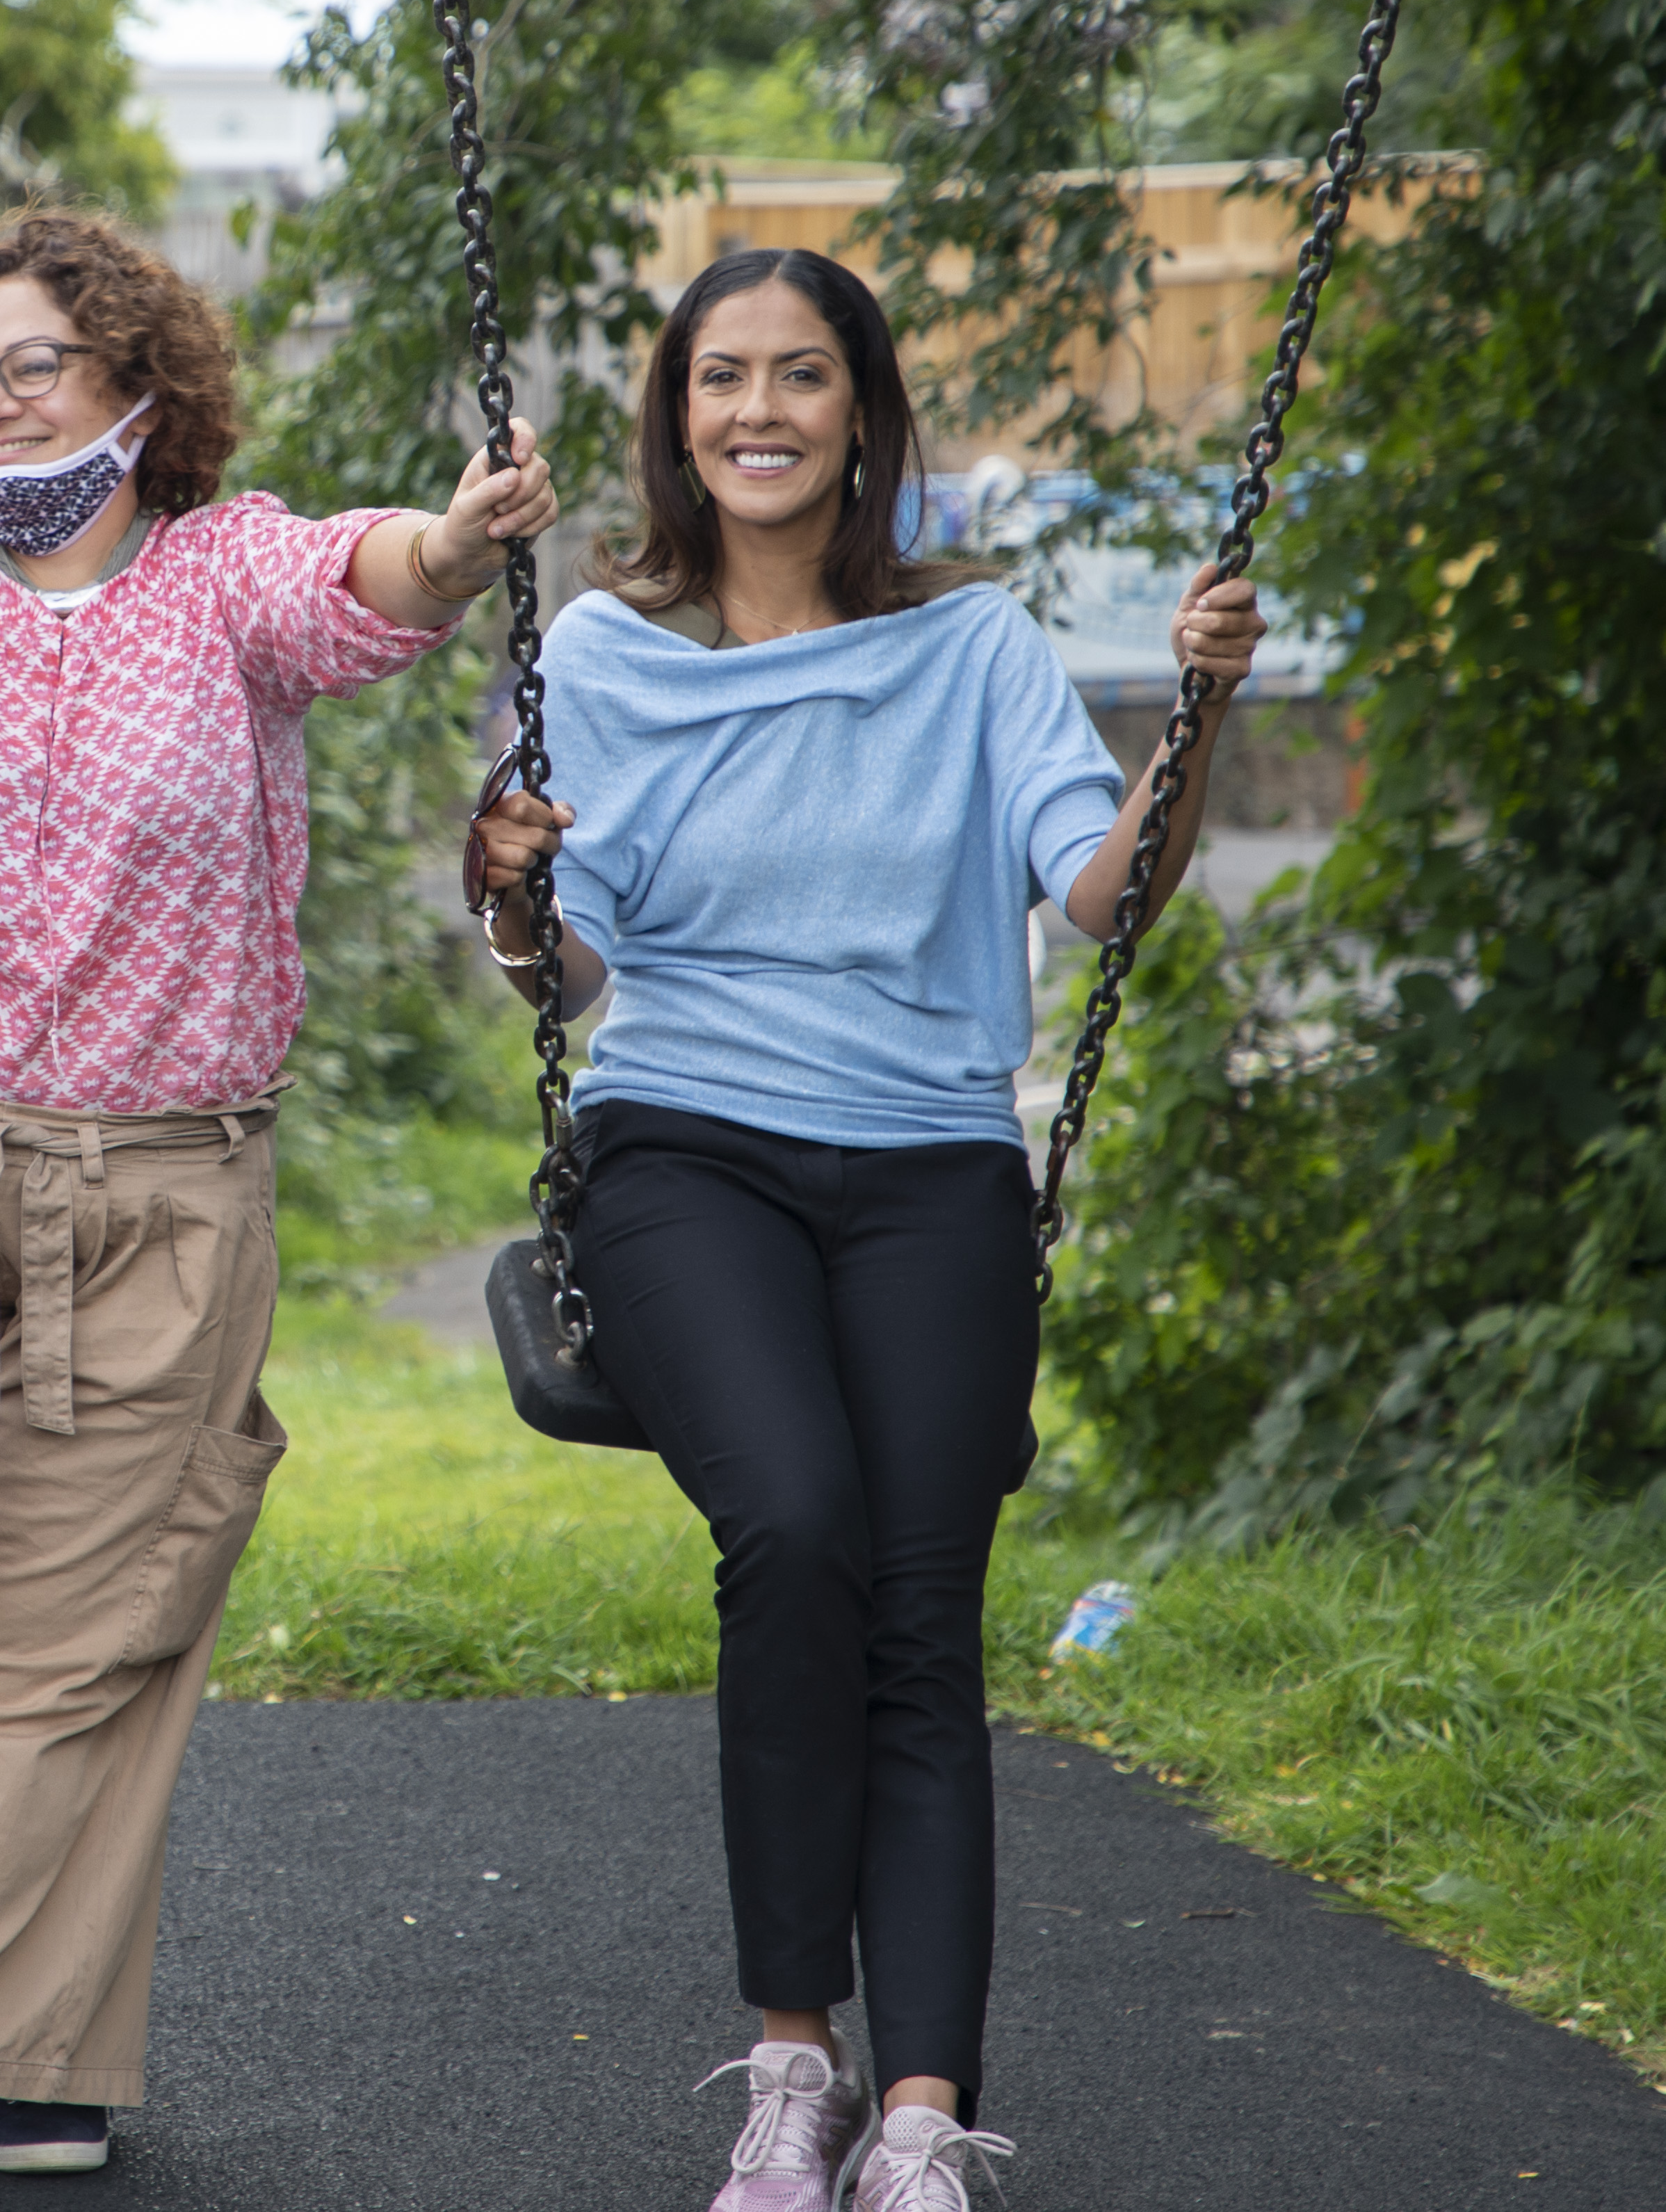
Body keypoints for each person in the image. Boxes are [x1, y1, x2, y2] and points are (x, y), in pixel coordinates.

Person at [0, 206, 559, 2210]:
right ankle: (29, 2064)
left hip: (144, 1199)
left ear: (140, 388)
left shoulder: (226, 579)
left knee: (49, 1645)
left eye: (34, 367)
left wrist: (463, 537)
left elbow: (374, 582)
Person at [466, 247, 1267, 2212]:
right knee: (795, 1524)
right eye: (720, 376)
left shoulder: (975, 647)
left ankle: (916, 2120)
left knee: (919, 1611)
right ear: (677, 421)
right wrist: (509, 894)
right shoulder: (602, 653)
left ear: (862, 413)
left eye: (800, 374)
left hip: (925, 1159)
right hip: (683, 1152)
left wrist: (1197, 712)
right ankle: (787, 2067)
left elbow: (1101, 895)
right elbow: (570, 967)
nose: (759, 410)